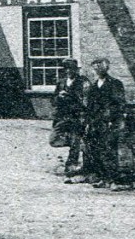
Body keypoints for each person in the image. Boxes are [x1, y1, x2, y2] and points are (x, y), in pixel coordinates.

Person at [84, 58, 127, 189]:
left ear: (106, 69)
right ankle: (103, 177)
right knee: (97, 150)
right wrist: (88, 123)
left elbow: (120, 104)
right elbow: (90, 107)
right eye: (95, 68)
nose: (97, 70)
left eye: (100, 68)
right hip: (96, 123)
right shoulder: (93, 86)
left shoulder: (115, 84)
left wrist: (112, 118)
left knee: (110, 150)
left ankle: (114, 180)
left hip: (110, 122)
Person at [51, 58, 88, 180]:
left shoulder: (83, 81)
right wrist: (59, 97)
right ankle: (76, 144)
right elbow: (53, 101)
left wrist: (70, 97)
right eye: (66, 68)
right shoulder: (61, 82)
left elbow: (85, 100)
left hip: (76, 117)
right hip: (62, 117)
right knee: (53, 139)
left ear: (76, 69)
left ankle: (71, 166)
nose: (69, 71)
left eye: (71, 68)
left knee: (75, 141)